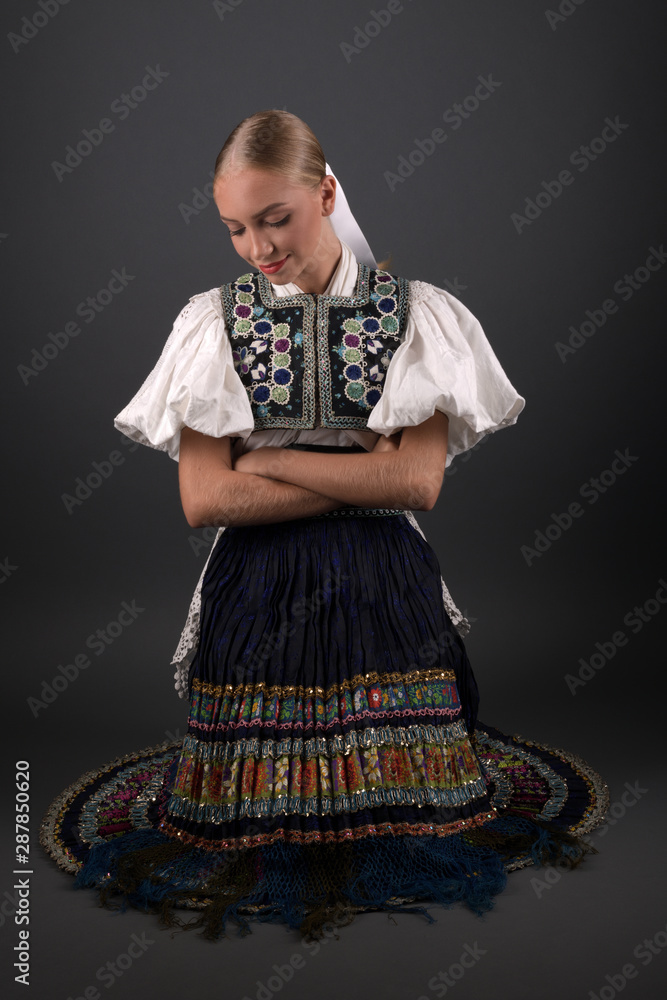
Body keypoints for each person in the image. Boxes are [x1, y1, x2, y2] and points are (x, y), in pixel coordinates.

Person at [40, 110, 608, 941]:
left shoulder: (420, 314)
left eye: (276, 218)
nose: (258, 248)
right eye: (236, 227)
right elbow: (205, 501)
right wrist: (359, 475)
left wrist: (267, 461)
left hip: (384, 575)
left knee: (409, 788)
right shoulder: (212, 323)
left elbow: (415, 482)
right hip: (253, 579)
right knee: (244, 796)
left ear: (326, 193)